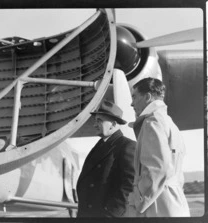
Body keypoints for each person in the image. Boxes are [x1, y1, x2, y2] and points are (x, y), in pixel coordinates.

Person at [127, 77, 190, 217]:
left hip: (157, 204)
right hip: (175, 201)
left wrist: (138, 201)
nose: (132, 103)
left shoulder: (152, 122)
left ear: (148, 97)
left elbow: (157, 168)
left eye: (134, 97)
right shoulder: (170, 123)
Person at [76, 100, 136, 217]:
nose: (94, 125)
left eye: (99, 121)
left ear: (113, 124)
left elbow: (129, 186)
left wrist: (111, 214)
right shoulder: (100, 145)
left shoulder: (127, 146)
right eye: (95, 121)